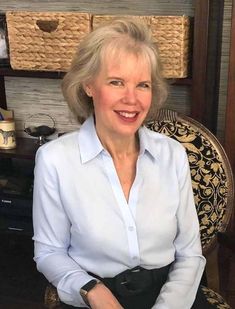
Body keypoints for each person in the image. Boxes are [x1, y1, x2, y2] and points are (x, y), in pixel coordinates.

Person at [33, 18, 212, 309]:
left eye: (143, 85)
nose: (132, 99)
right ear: (89, 85)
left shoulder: (172, 155)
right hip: (96, 296)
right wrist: (90, 289)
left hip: (173, 294)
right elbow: (49, 251)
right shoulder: (54, 160)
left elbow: (189, 254)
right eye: (116, 82)